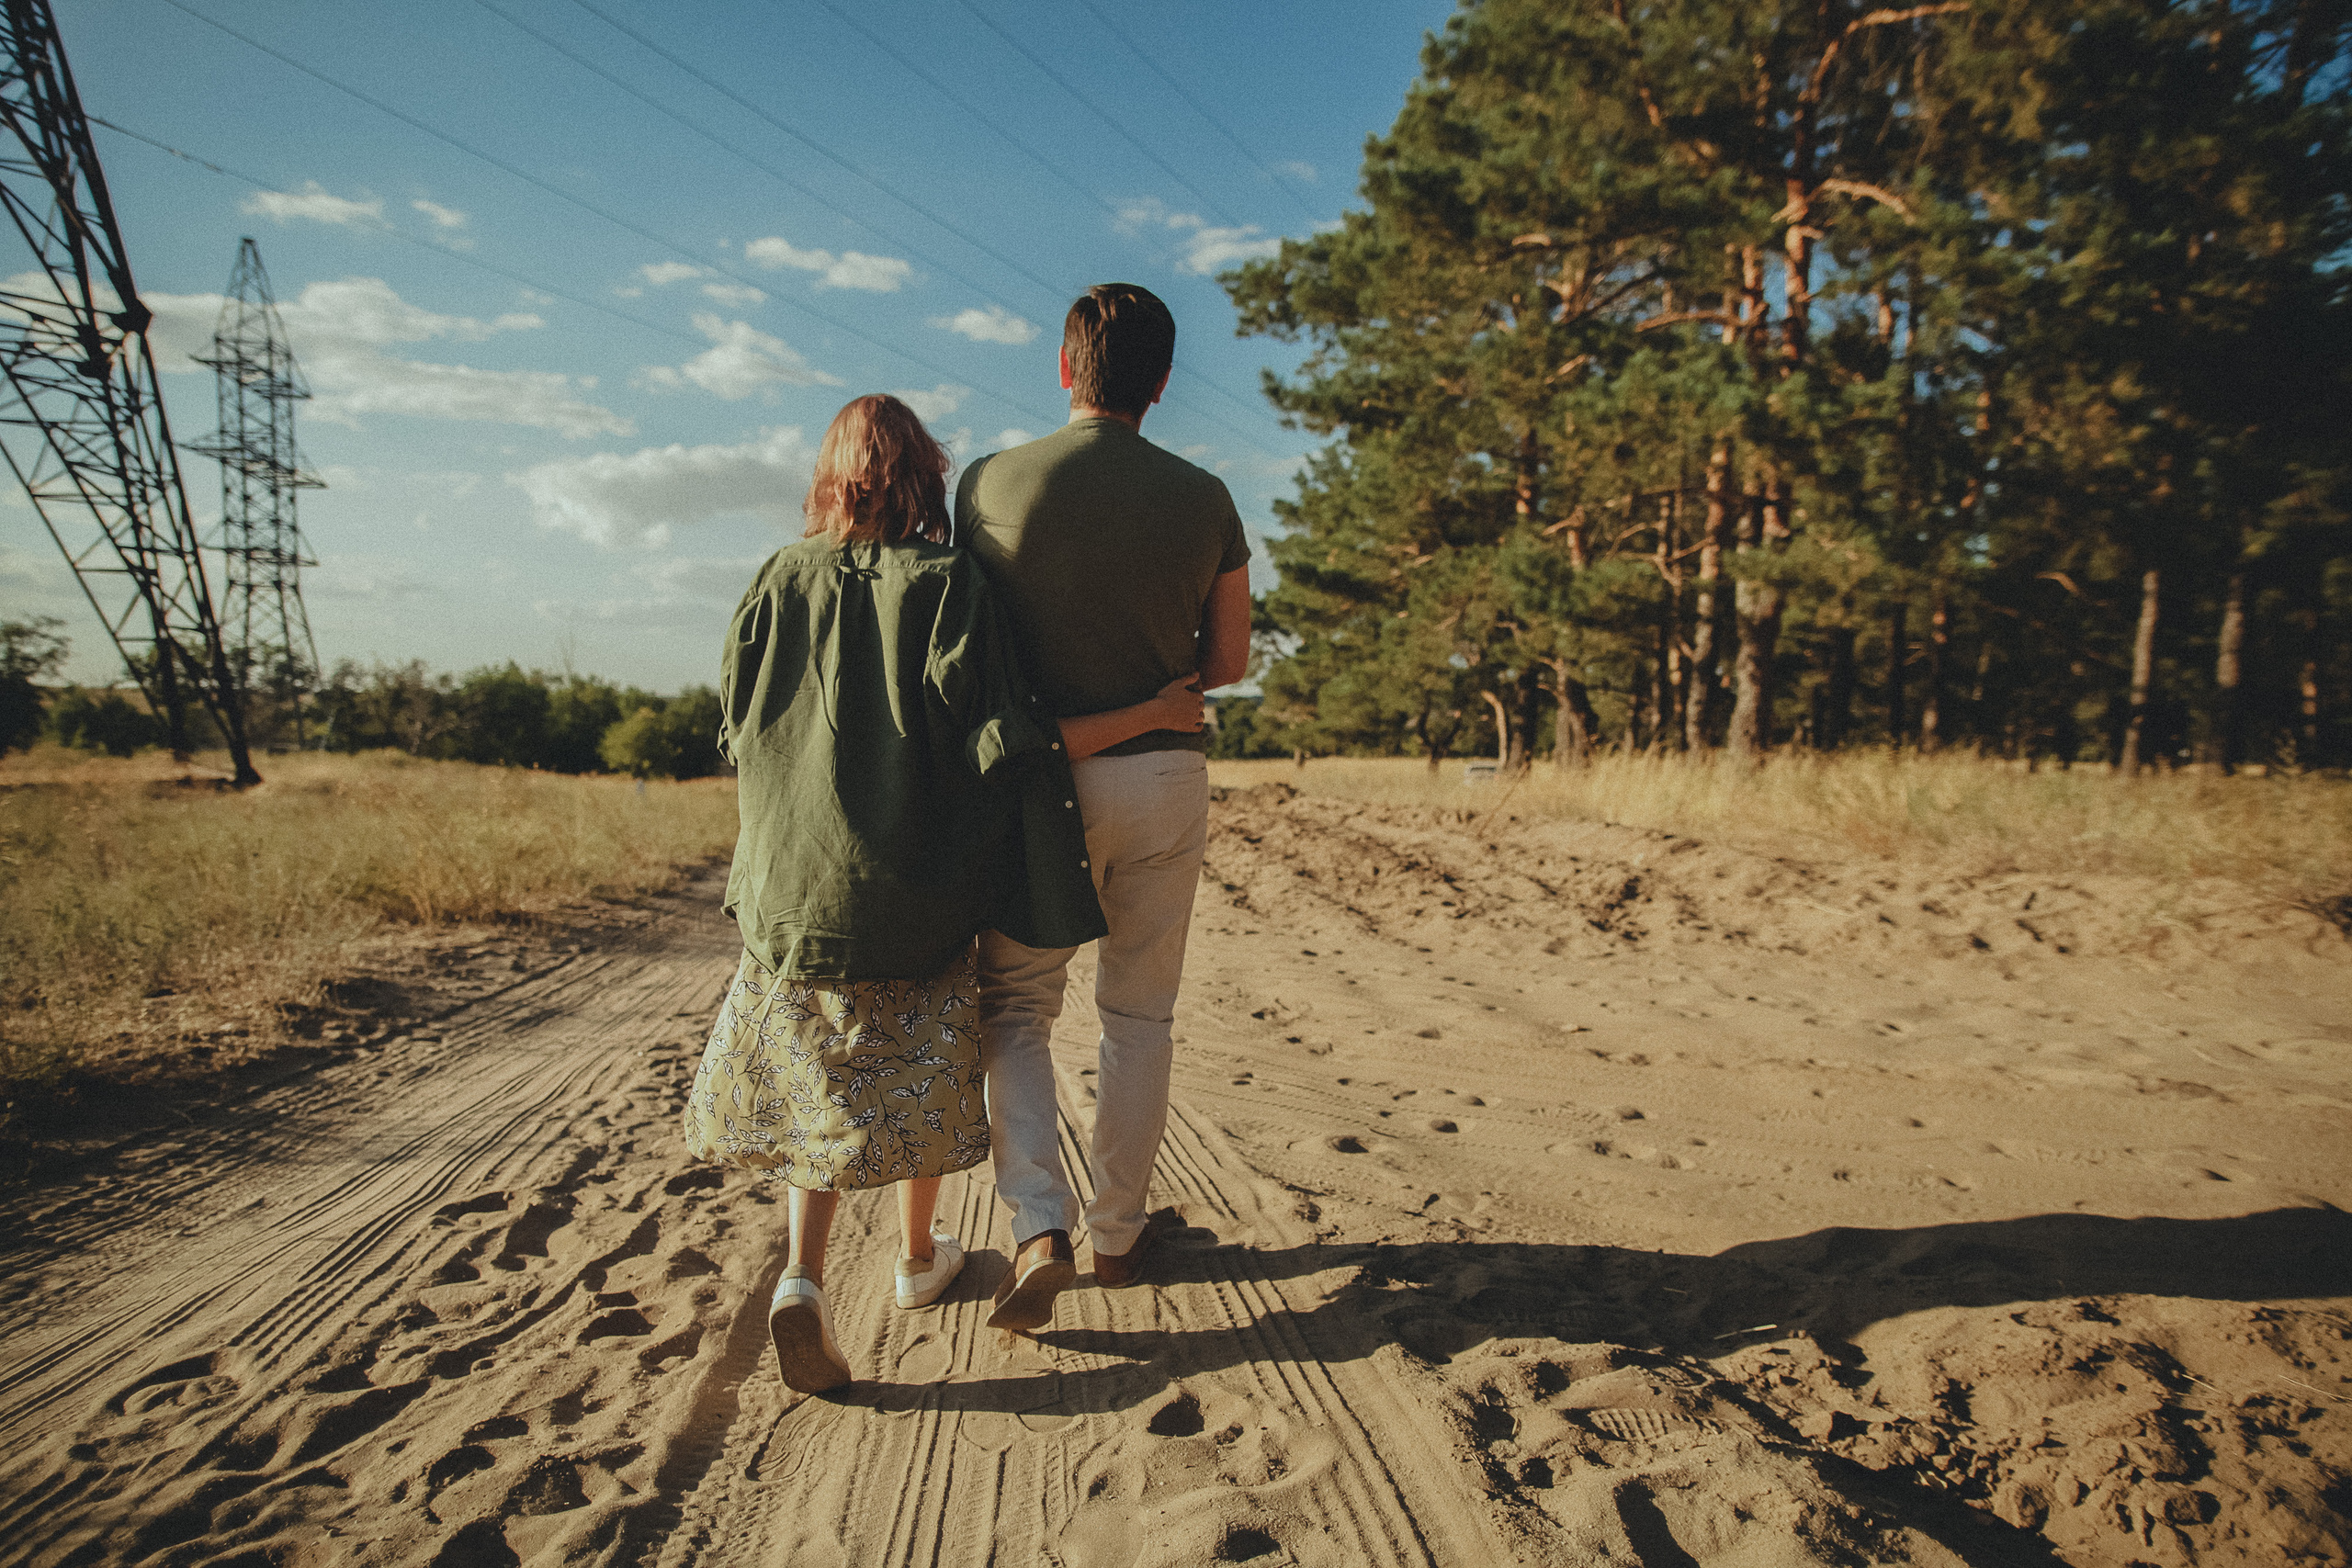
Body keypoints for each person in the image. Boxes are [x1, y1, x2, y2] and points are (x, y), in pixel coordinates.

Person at [682, 393, 1204, 1393]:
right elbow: (1001, 744)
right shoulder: (946, 583)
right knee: (921, 1072)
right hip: (913, 891)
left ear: (829, 476)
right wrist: (1143, 715)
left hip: (792, 895)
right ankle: (921, 1259)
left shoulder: (773, 580)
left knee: (820, 1085)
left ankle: (800, 1277)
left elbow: (738, 728)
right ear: (926, 473)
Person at [954, 284, 1252, 1332]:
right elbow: (1227, 659)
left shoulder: (988, 482)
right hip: (1163, 774)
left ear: (1065, 368)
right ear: (1163, 383)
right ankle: (1119, 1236)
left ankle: (1040, 1223)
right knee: (1138, 1013)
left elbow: (967, 645)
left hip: (1038, 781)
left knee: (1017, 1007)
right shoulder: (1205, 496)